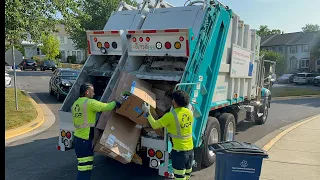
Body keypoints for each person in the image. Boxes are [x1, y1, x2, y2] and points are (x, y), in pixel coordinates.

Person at [72, 83, 121, 180]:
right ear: (87, 92)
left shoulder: (75, 104)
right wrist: (116, 103)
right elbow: (106, 107)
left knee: (83, 168)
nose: (94, 94)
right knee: (85, 170)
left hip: (78, 139)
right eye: (92, 91)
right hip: (85, 141)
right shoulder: (89, 103)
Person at [142, 90, 194, 180]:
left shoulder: (171, 116)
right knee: (187, 176)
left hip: (179, 152)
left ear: (176, 102)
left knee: (179, 177)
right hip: (190, 151)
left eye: (173, 99)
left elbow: (154, 125)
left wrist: (147, 112)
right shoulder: (189, 112)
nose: (172, 101)